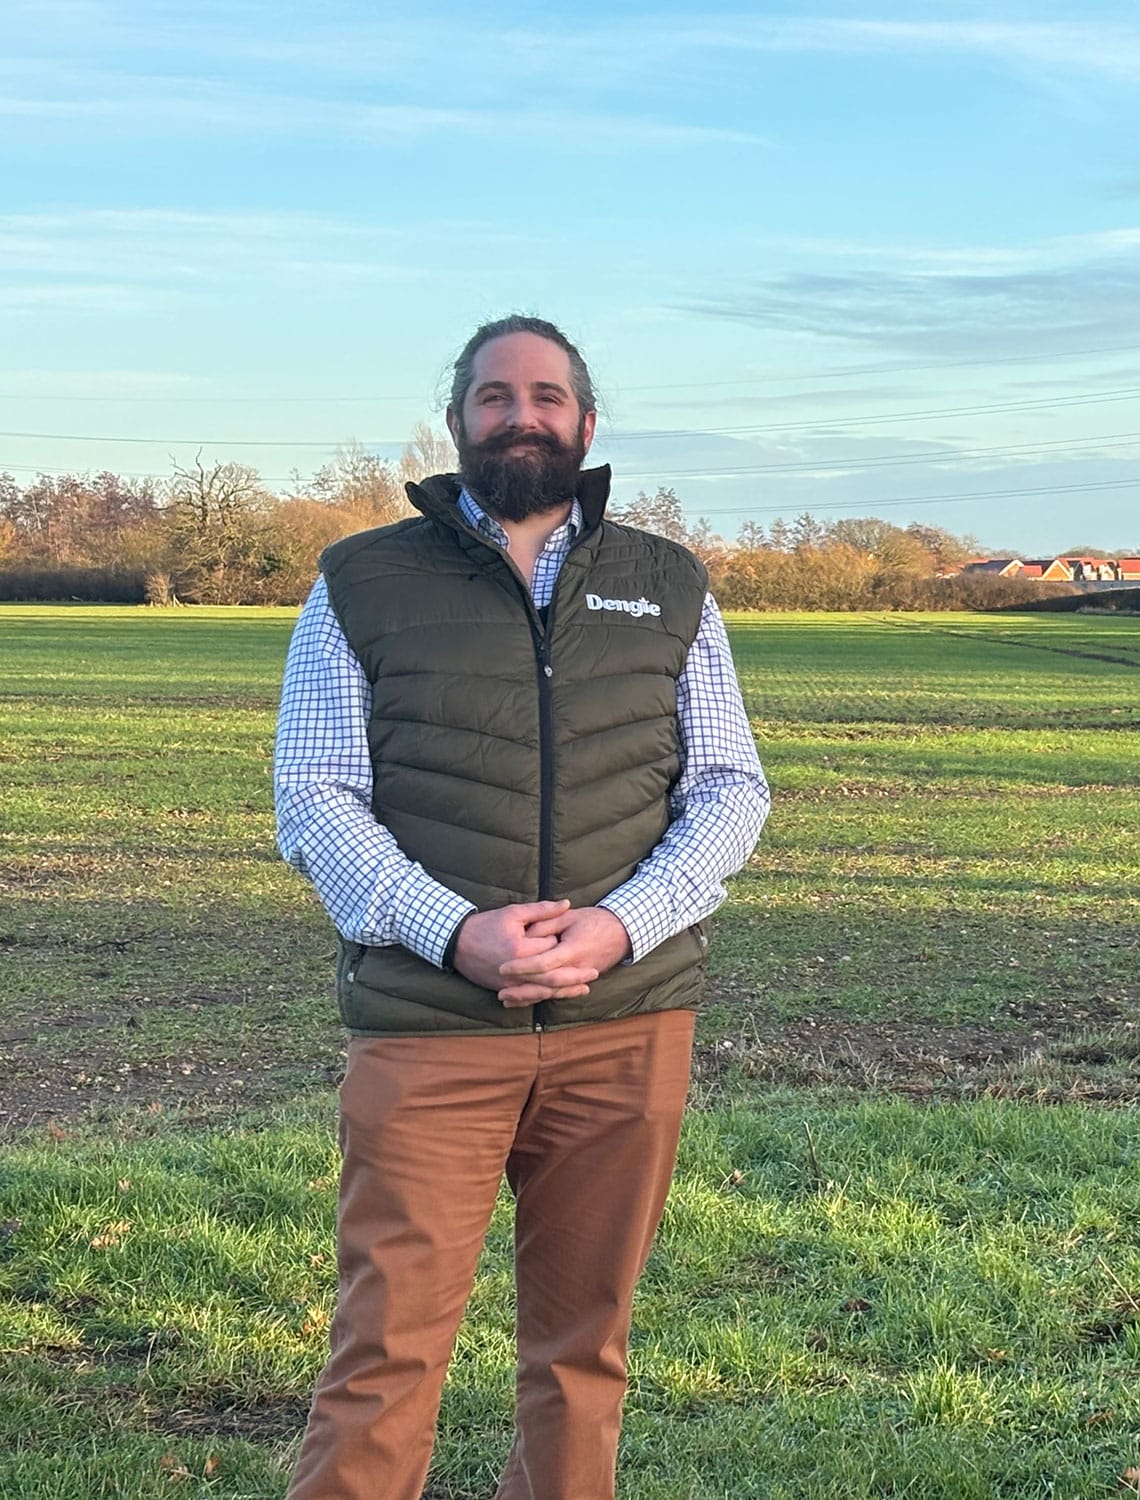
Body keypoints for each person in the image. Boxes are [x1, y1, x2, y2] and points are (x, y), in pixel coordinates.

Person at [273, 315, 769, 1500]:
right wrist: (453, 929)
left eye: (546, 395)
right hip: (430, 1028)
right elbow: (316, 796)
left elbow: (728, 788)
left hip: (625, 1021)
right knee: (384, 1350)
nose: (520, 415)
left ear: (586, 425)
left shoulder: (668, 583)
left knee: (583, 1350)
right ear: (457, 424)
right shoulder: (360, 581)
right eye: (494, 396)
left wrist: (619, 927)